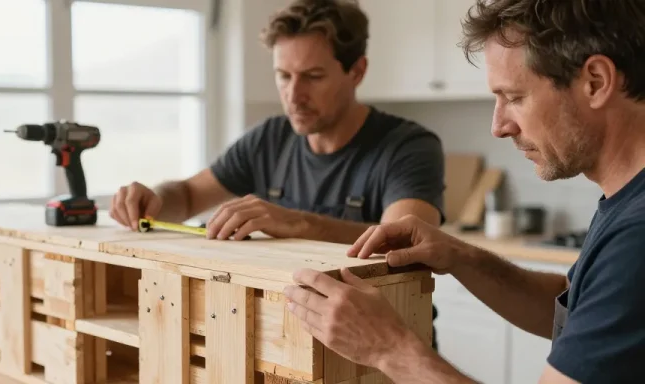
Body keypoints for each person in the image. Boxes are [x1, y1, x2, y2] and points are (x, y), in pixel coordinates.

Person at [282, 0, 645, 383]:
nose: (499, 126)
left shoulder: (636, 237)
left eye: (514, 97)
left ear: (596, 82)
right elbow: (568, 307)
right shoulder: (624, 202)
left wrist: (387, 348)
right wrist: (459, 256)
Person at [110, 0, 445, 244]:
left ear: (357, 72)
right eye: (284, 76)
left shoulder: (409, 147)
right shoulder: (268, 140)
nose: (294, 95)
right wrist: (154, 199)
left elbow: (405, 243)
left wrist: (299, 224)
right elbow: (186, 196)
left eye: (313, 76)